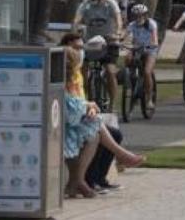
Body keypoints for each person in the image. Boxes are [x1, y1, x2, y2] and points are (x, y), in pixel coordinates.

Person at [59, 33, 143, 198]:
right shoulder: (62, 74)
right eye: (76, 48)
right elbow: (69, 106)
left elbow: (77, 100)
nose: (80, 52)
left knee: (107, 131)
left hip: (77, 119)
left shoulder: (77, 73)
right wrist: (88, 106)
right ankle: (87, 179)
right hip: (69, 122)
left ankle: (96, 179)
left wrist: (88, 107)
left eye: (81, 48)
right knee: (96, 131)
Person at [72, 0, 122, 109]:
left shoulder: (111, 4)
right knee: (82, 70)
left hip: (109, 42)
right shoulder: (85, 5)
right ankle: (83, 100)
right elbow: (76, 20)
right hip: (91, 42)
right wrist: (75, 31)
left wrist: (117, 33)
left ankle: (112, 103)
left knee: (110, 71)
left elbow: (118, 20)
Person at [126, 3, 158, 112]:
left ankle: (149, 99)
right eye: (136, 15)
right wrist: (121, 42)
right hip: (137, 49)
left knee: (147, 72)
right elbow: (126, 36)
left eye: (141, 15)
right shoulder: (132, 25)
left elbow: (154, 38)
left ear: (145, 15)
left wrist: (153, 43)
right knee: (128, 59)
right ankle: (131, 82)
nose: (139, 18)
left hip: (150, 50)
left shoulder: (151, 24)